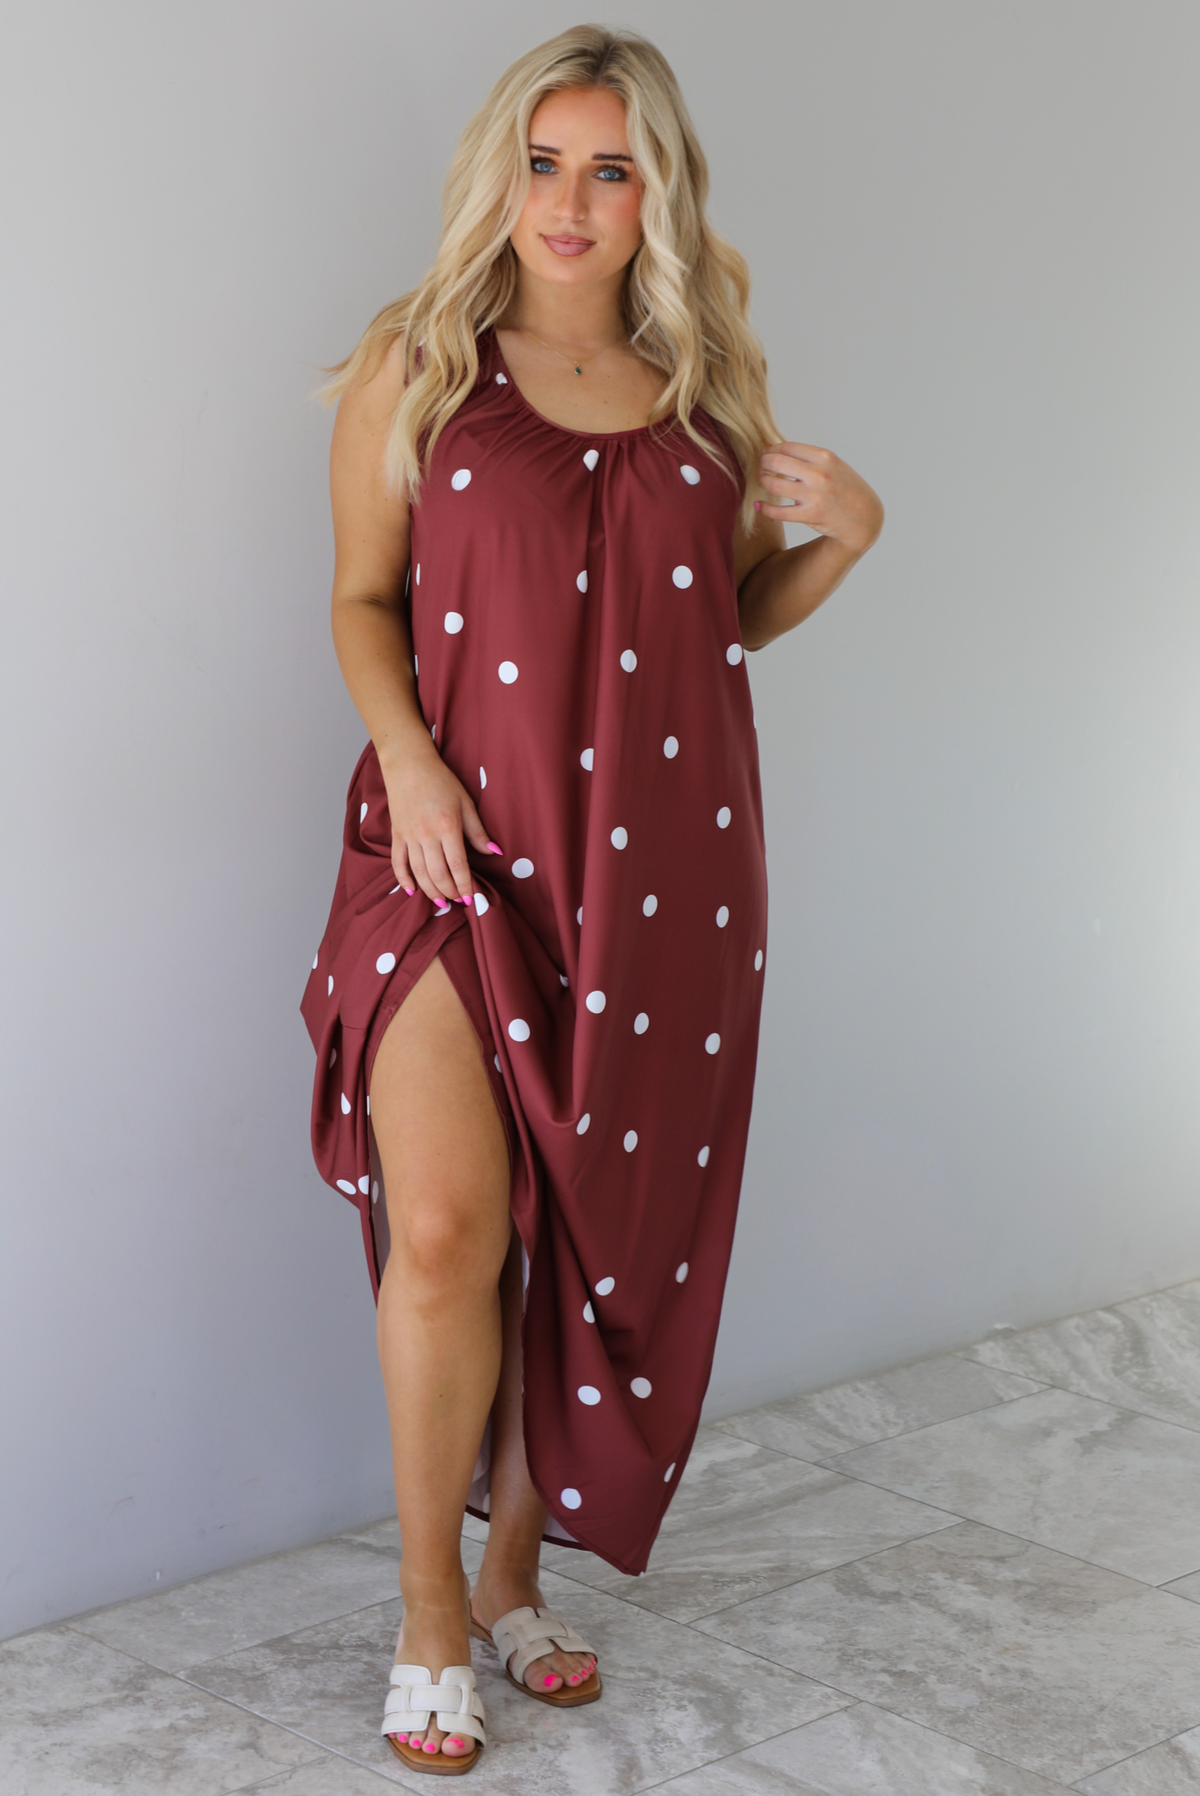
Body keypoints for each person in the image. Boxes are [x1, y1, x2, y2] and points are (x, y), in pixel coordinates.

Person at [300, 22, 883, 1776]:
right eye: (545, 163)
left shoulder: (710, 396)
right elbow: (359, 599)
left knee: (584, 1240)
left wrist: (845, 536)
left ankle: (509, 1574)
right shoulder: (421, 365)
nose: (571, 201)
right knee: (455, 1234)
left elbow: (724, 627)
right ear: (503, 175)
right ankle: (424, 1621)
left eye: (609, 169)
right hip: (446, 865)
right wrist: (406, 757)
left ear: (658, 196)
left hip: (667, 881)